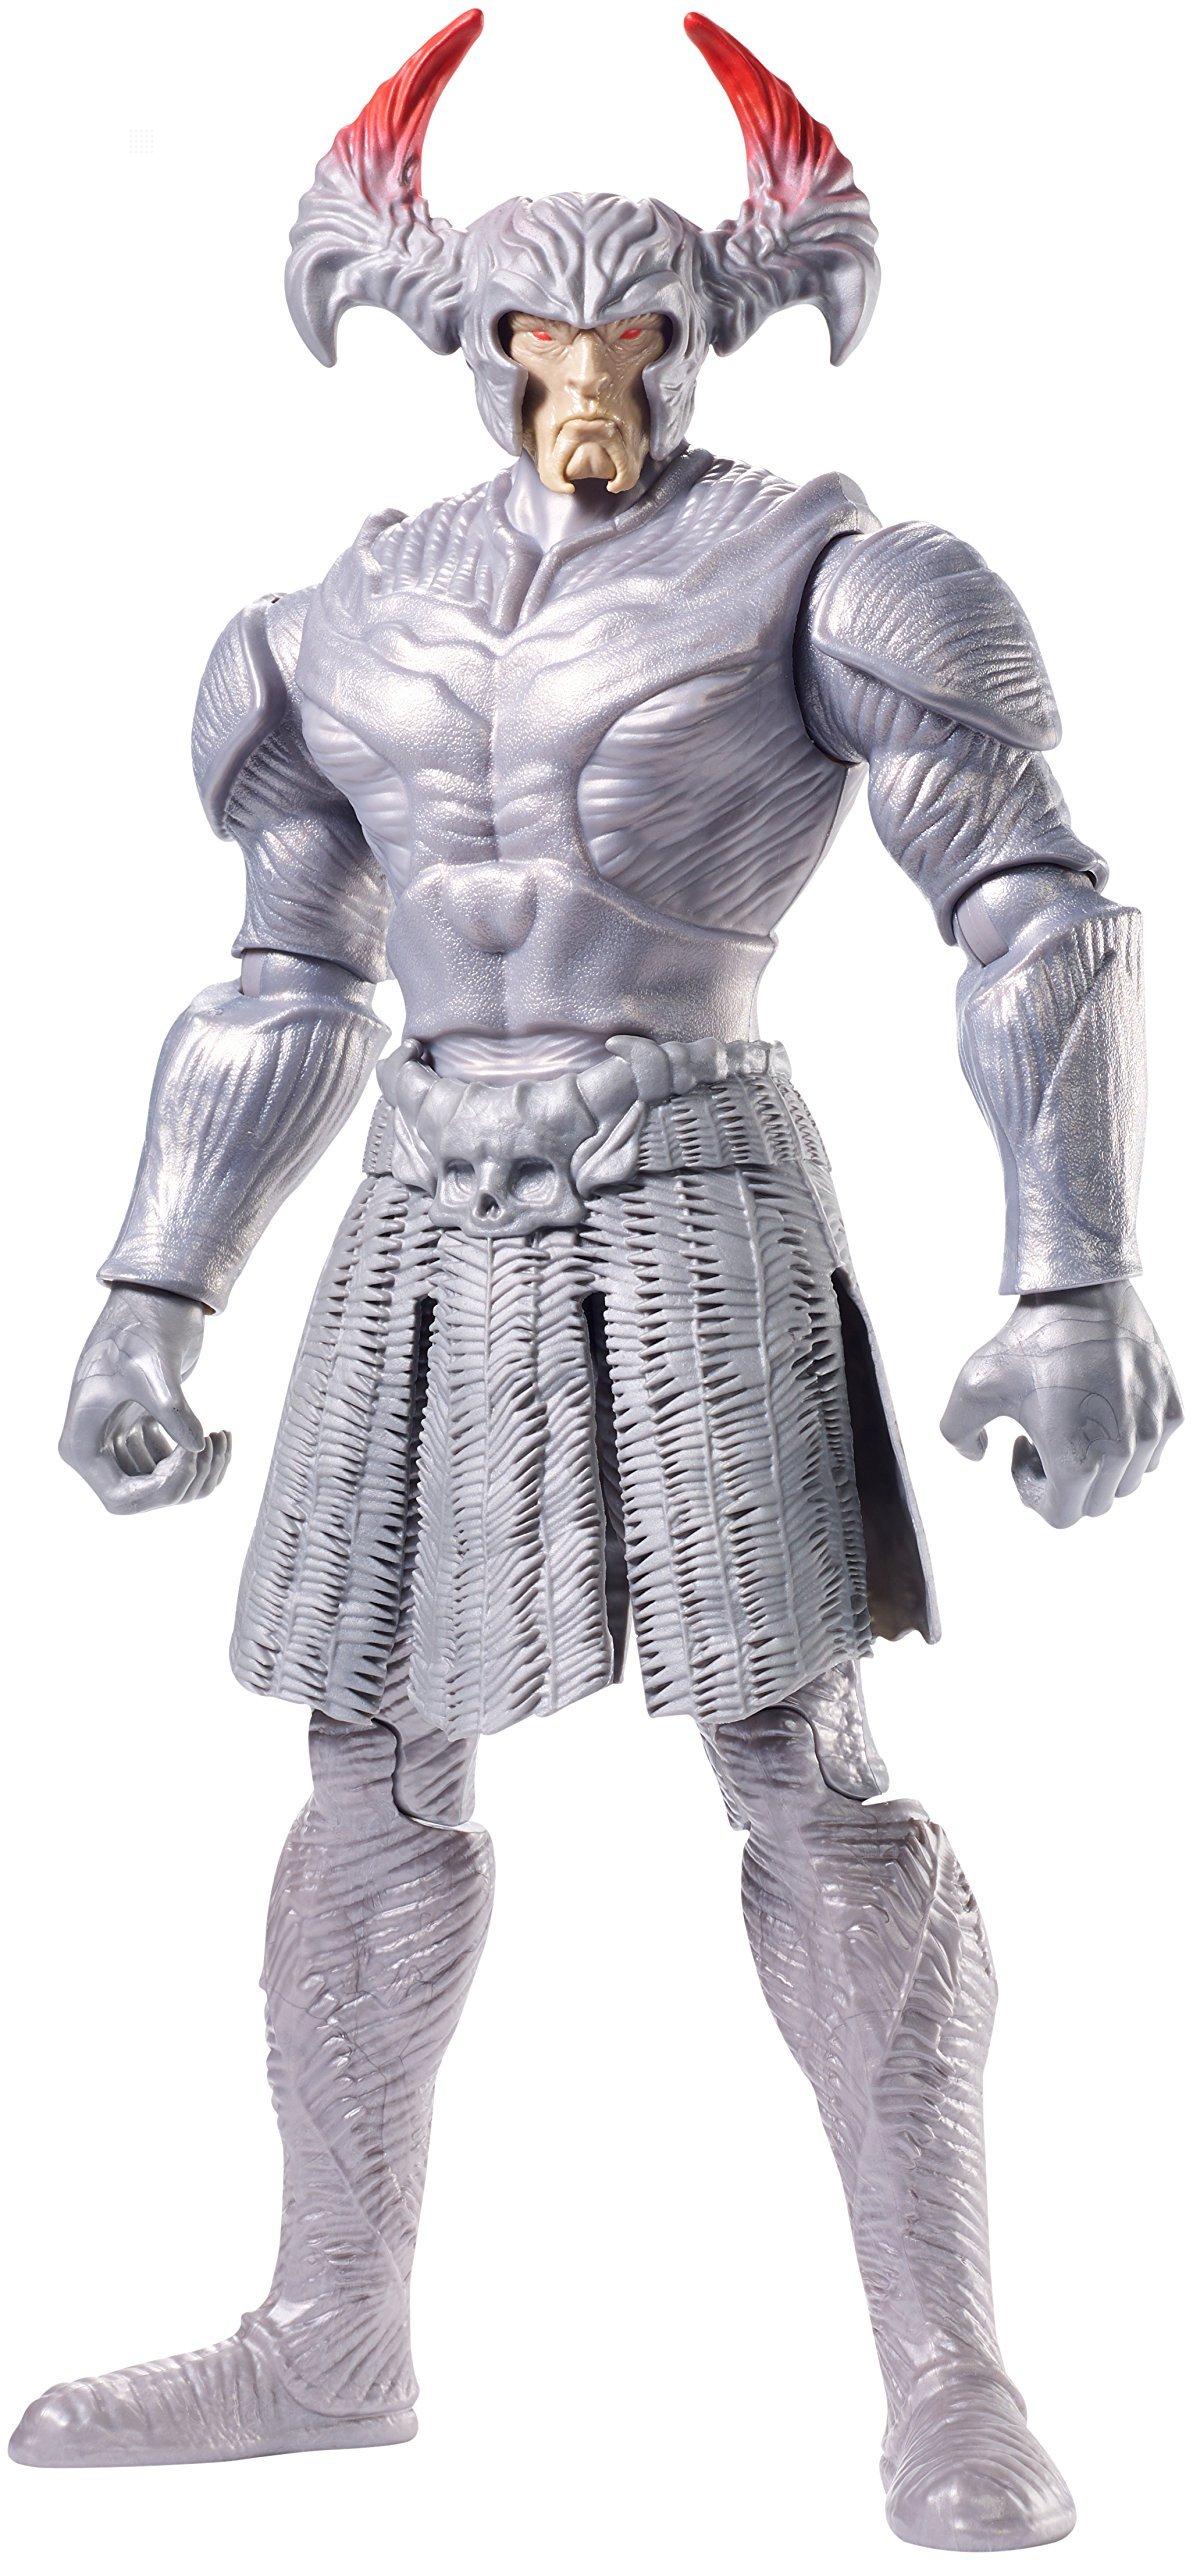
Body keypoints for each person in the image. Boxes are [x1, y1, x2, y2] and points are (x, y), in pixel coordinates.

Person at [12, 15, 1180, 2547]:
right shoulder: (330, 625)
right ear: (451, 337)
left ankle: (950, 2371)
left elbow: (1032, 909)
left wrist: (1074, 1272)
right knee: (365, 1751)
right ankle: (332, 2328)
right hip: (426, 1196)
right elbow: (284, 975)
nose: (590, 393)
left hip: (696, 1174)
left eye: (638, 342)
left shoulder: (841, 574)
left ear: (714, 329)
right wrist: (153, 1284)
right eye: (540, 344)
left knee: (796, 1757)